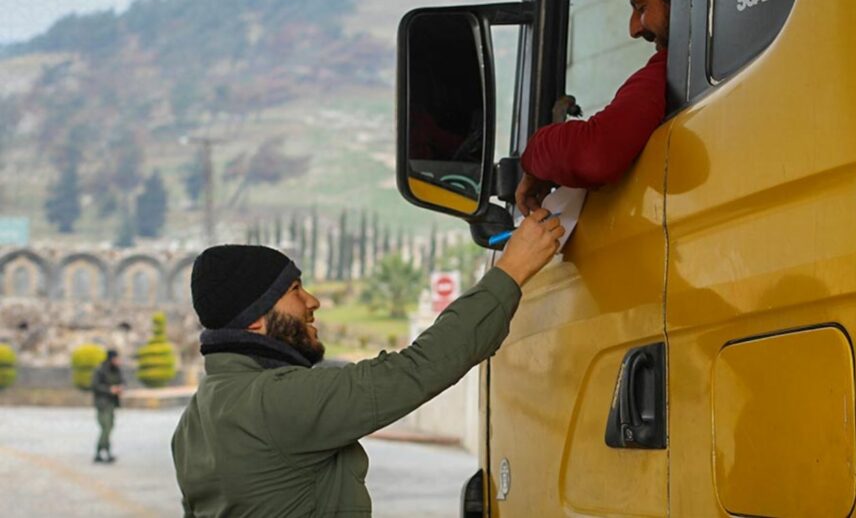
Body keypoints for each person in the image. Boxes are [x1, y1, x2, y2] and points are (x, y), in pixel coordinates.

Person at [171, 209, 564, 517]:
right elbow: (418, 368)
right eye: (293, 291)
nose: (313, 302)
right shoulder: (274, 402)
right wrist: (511, 270)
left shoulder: (195, 419)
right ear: (254, 319)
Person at [516, 0, 674, 215]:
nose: (634, 28)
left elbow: (595, 153)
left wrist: (533, 153)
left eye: (641, 7)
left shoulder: (672, 68)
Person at [91, 349, 124, 464]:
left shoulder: (117, 370)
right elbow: (95, 386)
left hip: (112, 403)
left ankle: (101, 453)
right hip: (102, 403)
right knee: (105, 428)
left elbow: (122, 381)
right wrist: (110, 390)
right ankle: (102, 452)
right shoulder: (101, 370)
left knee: (110, 427)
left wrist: (119, 388)